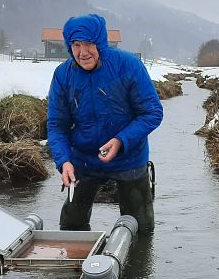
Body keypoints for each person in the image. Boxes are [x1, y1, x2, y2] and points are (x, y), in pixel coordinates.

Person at [46, 14, 163, 235]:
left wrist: (121, 140)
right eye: (76, 45)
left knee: (141, 229)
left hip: (129, 157)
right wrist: (64, 161)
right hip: (84, 159)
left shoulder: (128, 66)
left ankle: (137, 268)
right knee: (71, 226)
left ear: (100, 42)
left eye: (89, 44)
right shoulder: (63, 75)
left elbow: (152, 112)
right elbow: (56, 125)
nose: (83, 52)